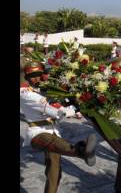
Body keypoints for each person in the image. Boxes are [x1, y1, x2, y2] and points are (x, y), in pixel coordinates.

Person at [20, 61, 97, 193]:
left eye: (39, 74)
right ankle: (81, 150)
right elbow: (55, 110)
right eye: (33, 75)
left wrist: (73, 100)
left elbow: (59, 107)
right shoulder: (25, 93)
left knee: (54, 170)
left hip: (54, 130)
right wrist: (74, 107)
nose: (37, 78)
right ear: (26, 77)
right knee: (50, 140)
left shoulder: (44, 89)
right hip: (37, 132)